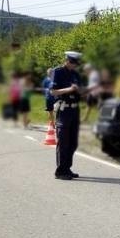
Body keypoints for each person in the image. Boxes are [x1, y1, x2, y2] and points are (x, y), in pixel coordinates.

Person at [50, 51, 83, 180]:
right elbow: (53, 92)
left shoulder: (75, 74)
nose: (75, 66)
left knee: (73, 142)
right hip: (64, 110)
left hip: (75, 111)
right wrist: (69, 89)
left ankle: (67, 168)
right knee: (63, 141)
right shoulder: (57, 72)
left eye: (76, 64)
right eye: (73, 63)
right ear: (68, 61)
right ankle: (60, 171)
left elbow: (81, 91)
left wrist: (81, 90)